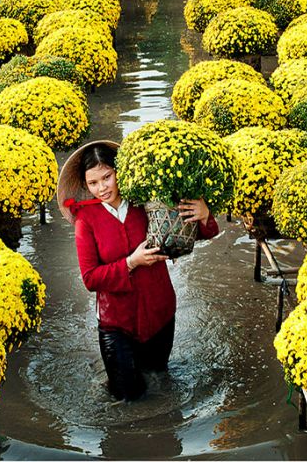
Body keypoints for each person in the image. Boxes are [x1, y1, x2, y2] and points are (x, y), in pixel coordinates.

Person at [57, 140, 219, 401]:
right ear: (85, 185)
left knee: (160, 380)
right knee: (127, 397)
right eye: (93, 183)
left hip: (160, 313)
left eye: (107, 177)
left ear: (120, 172)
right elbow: (90, 278)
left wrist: (204, 214)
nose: (102, 188)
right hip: (116, 323)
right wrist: (131, 262)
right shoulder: (85, 220)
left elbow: (193, 234)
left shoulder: (146, 202)